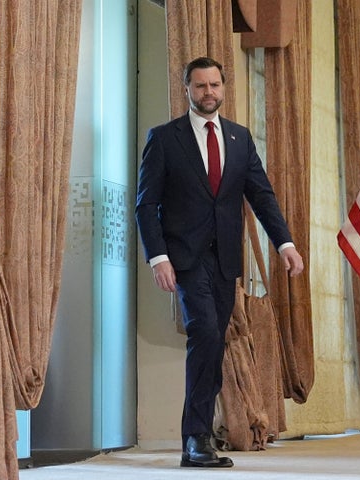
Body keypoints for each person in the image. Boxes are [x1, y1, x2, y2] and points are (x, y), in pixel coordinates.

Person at [135, 56, 304, 468]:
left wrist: (284, 243)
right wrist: (158, 257)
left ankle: (198, 437)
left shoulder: (239, 138)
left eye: (214, 85)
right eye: (200, 86)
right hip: (185, 258)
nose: (208, 92)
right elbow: (146, 204)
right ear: (187, 90)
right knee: (206, 334)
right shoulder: (165, 138)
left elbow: (261, 195)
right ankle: (195, 438)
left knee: (214, 342)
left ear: (223, 88)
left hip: (227, 259)